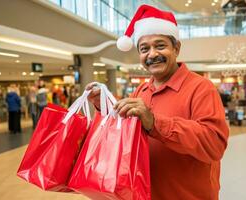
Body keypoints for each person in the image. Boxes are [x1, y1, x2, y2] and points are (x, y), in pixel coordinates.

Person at [87, 5, 229, 200]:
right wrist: (103, 105)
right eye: (144, 49)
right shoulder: (141, 91)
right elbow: (124, 135)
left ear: (176, 48)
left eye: (160, 46)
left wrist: (154, 122)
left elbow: (214, 144)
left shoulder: (201, 88)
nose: (152, 54)